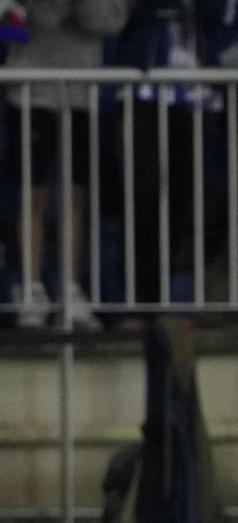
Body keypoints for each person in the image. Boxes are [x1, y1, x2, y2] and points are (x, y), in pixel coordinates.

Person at [5, 0, 130, 328]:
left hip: (81, 91)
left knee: (77, 193)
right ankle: (33, 290)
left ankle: (71, 290)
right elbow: (19, 25)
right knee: (34, 191)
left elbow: (111, 21)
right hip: (30, 91)